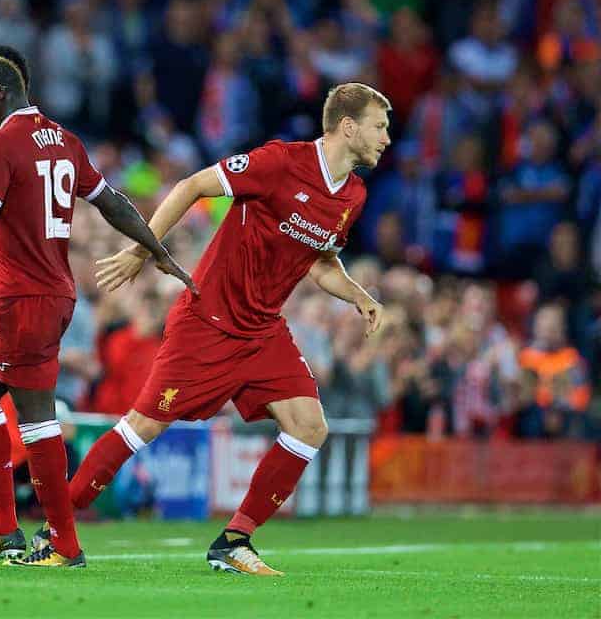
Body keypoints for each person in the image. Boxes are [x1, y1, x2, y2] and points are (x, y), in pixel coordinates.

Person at [61, 82, 390, 576]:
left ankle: (234, 540)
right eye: (379, 126)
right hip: (208, 320)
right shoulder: (279, 162)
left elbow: (320, 262)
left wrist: (359, 295)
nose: (386, 138)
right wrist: (141, 248)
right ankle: (55, 529)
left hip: (263, 331)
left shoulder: (354, 195)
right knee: (142, 426)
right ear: (349, 126)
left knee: (310, 427)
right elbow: (191, 186)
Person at [0, 46, 196, 568]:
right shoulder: (65, 141)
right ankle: (4, 530)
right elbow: (113, 203)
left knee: (36, 420)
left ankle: (64, 543)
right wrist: (157, 249)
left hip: (24, 298)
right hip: (48, 293)